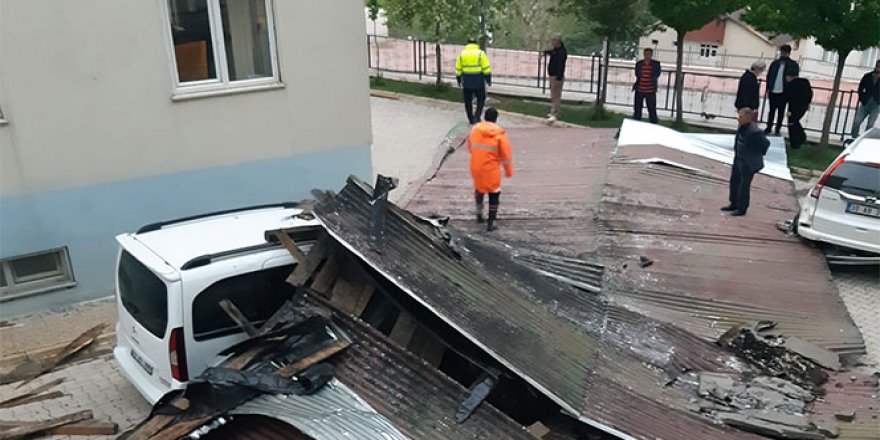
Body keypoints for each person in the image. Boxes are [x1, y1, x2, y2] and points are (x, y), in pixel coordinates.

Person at [467, 107, 513, 231]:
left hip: (476, 166)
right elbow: (506, 155)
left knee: (479, 188)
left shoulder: (475, 130)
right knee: (494, 193)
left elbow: (470, 147)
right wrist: (508, 171)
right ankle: (491, 221)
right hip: (491, 168)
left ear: (485, 117)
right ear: (496, 119)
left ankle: (479, 212)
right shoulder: (499, 134)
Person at [722, 108, 770, 217]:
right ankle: (733, 203)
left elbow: (765, 144)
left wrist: (755, 154)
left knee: (744, 185)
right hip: (739, 159)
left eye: (741, 117)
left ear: (747, 118)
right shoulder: (741, 127)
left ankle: (741, 208)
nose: (738, 119)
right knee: (734, 181)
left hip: (748, 163)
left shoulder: (754, 131)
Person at [455, 38, 492, 124]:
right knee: (481, 99)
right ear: (476, 44)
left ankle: (470, 118)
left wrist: (459, 80)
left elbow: (458, 69)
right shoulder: (480, 53)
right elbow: (486, 68)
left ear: (467, 44)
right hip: (478, 80)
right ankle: (477, 115)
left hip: (467, 81)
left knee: (467, 101)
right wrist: (488, 79)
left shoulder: (462, 54)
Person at [765, 44, 797, 135]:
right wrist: (768, 88)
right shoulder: (775, 63)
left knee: (781, 111)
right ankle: (769, 127)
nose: (782, 55)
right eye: (781, 52)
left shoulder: (792, 65)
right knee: (771, 111)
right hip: (773, 91)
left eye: (784, 53)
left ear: (788, 53)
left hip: (784, 92)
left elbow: (794, 78)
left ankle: (778, 128)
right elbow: (769, 76)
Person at [849, 59, 880, 141]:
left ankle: (865, 141)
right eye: (877, 66)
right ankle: (853, 138)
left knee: (870, 125)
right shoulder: (867, 76)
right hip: (865, 103)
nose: (878, 68)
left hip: (876, 105)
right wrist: (862, 98)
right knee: (857, 122)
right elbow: (860, 88)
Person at [784, 65, 813, 150]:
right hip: (803, 106)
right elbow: (810, 94)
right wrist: (808, 103)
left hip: (794, 108)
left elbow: (791, 98)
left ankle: (796, 142)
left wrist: (790, 111)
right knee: (796, 122)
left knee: (792, 123)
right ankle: (801, 138)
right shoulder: (805, 82)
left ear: (789, 76)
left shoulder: (791, 85)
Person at [633, 48, 661, 124]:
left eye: (649, 54)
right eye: (645, 54)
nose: (647, 56)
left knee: (651, 109)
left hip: (650, 90)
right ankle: (636, 123)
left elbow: (657, 74)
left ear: (651, 55)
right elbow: (637, 74)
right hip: (639, 89)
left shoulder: (656, 64)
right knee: (637, 108)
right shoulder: (639, 64)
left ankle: (653, 124)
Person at [544, 35, 567, 123]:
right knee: (553, 95)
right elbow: (552, 52)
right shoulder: (556, 50)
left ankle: (555, 113)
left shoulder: (561, 52)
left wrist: (559, 76)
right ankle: (552, 111)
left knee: (556, 95)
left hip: (557, 76)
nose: (552, 43)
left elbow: (561, 64)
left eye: (554, 41)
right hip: (552, 75)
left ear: (558, 42)